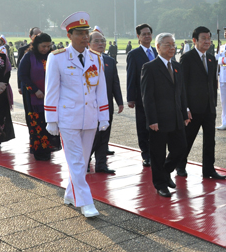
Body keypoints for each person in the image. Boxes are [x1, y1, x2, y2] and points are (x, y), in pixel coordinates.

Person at [44, 11, 110, 217]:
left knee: (81, 159)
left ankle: (70, 194)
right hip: (68, 118)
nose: (84, 37)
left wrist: (103, 116)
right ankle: (86, 202)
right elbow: (52, 89)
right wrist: (51, 119)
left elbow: (101, 90)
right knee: (77, 162)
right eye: (79, 33)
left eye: (86, 33)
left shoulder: (96, 58)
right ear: (69, 36)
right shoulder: (58, 58)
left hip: (89, 117)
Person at [140, 33, 190, 197]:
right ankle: (160, 184)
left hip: (176, 117)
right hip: (159, 120)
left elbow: (181, 93)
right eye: (168, 44)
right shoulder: (150, 67)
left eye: (173, 44)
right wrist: (152, 120)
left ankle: (165, 172)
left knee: (181, 147)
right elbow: (147, 97)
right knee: (158, 153)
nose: (172, 47)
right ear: (158, 47)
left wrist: (184, 113)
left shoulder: (177, 66)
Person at [177, 26, 226, 180]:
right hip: (193, 108)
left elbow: (213, 83)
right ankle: (180, 165)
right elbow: (182, 85)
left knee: (210, 141)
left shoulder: (211, 58)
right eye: (203, 38)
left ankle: (209, 170)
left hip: (209, 108)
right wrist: (185, 108)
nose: (207, 41)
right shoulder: (187, 58)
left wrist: (213, 104)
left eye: (208, 38)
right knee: (188, 139)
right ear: (194, 41)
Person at [18, 33, 61, 160]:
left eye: (48, 46)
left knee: (51, 122)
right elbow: (22, 75)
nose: (46, 49)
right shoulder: (29, 56)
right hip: (35, 98)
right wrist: (35, 90)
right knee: (38, 124)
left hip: (52, 96)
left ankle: (49, 149)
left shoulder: (53, 56)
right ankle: (39, 151)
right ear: (36, 45)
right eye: (43, 46)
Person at [88, 31, 123, 173]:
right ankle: (85, 161)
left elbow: (115, 82)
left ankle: (101, 164)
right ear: (88, 43)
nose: (100, 44)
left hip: (106, 105)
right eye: (96, 41)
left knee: (104, 134)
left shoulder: (109, 61)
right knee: (91, 136)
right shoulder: (84, 60)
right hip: (90, 106)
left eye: (103, 41)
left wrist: (120, 101)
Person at [127, 23, 157, 167]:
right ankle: (146, 155)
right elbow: (131, 76)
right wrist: (130, 98)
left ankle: (156, 153)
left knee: (157, 126)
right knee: (143, 127)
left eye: (149, 34)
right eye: (143, 34)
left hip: (158, 97)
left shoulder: (158, 51)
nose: (147, 36)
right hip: (142, 97)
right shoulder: (134, 54)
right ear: (138, 37)